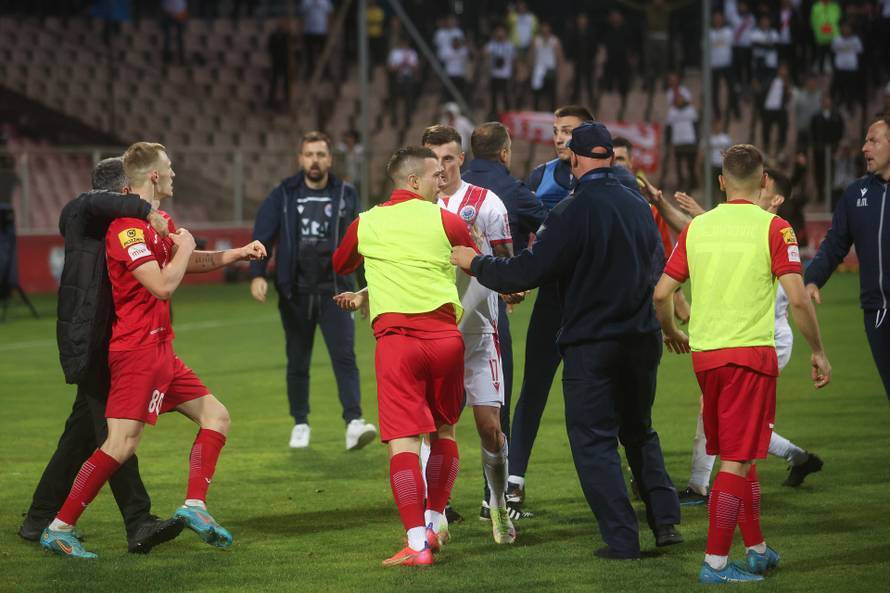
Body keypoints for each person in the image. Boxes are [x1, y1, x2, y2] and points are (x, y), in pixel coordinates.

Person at [452, 121, 682, 559]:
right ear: (610, 157)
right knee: (639, 431)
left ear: (573, 159)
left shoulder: (572, 211)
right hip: (641, 339)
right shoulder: (638, 206)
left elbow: (527, 270)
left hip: (593, 343)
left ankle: (622, 539)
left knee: (593, 440)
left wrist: (475, 263)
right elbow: (659, 271)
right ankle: (666, 522)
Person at [40, 142, 268, 558]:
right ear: (155, 176)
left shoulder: (159, 225)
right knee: (119, 445)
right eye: (170, 167)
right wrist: (184, 247)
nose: (175, 174)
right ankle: (59, 527)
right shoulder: (126, 229)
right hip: (136, 353)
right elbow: (162, 284)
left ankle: (195, 505)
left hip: (162, 349)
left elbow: (184, 261)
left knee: (216, 417)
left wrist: (235, 254)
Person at [653, 143, 831, 583]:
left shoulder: (698, 228)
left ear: (721, 182)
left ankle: (756, 549)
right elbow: (798, 299)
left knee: (744, 456)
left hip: (706, 358)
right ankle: (715, 563)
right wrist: (818, 350)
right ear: (764, 179)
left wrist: (671, 330)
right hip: (749, 356)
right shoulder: (775, 228)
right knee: (736, 460)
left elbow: (661, 293)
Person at [18, 158, 182, 554]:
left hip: (100, 341)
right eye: (128, 192)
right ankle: (138, 521)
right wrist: (146, 210)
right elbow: (92, 202)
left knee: (79, 438)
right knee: (116, 437)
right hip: (91, 344)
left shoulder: (104, 225)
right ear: (119, 192)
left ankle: (39, 518)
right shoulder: (83, 210)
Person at [331, 146, 477, 566]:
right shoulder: (447, 220)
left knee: (404, 444)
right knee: (445, 433)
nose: (442, 180)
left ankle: (416, 543)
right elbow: (473, 261)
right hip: (446, 341)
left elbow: (341, 262)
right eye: (435, 175)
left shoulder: (367, 222)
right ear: (413, 181)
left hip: (398, 345)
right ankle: (435, 522)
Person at [667, 170, 825, 507]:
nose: (757, 187)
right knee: (738, 424)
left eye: (764, 185)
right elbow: (711, 232)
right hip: (742, 339)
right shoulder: (756, 228)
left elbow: (795, 296)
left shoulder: (775, 231)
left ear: (776, 197)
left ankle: (701, 489)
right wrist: (665, 203)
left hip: (766, 339)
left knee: (732, 424)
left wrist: (818, 349)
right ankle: (797, 458)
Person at [250, 131, 376, 450]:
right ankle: (300, 423)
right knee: (297, 360)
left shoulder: (346, 193)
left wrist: (365, 288)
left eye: (321, 154)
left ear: (330, 159)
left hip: (337, 292)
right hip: (296, 292)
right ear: (300, 159)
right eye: (309, 155)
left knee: (344, 357)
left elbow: (361, 241)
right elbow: (263, 234)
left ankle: (354, 422)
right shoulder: (284, 193)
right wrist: (257, 274)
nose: (315, 160)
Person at [422, 125, 517, 542]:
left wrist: (512, 288)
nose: (441, 167)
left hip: (479, 334)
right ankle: (435, 514)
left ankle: (498, 505)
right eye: (434, 159)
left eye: (448, 157)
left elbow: (509, 265)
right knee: (435, 429)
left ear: (461, 158)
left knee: (489, 427)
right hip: (434, 336)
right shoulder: (416, 209)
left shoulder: (487, 203)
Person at [462, 121, 546, 519]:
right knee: (495, 406)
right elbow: (551, 229)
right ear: (505, 152)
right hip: (489, 308)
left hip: (441, 312)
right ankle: (493, 499)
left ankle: (435, 507)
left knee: (438, 413)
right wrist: (518, 276)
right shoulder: (512, 192)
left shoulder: (449, 192)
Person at [805, 113, 890, 400]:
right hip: (877, 311)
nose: (865, 148)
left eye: (873, 141)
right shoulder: (855, 194)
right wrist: (812, 280)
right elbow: (834, 245)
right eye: (865, 141)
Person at [530, 22, 561, 113]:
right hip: (538, 69)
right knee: (537, 93)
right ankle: (536, 111)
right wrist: (531, 67)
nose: (545, 30)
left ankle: (552, 111)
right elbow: (532, 54)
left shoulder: (554, 40)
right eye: (543, 27)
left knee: (551, 93)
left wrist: (559, 69)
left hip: (550, 69)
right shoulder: (536, 40)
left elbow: (558, 55)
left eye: (546, 28)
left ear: (549, 29)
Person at [485, 24, 515, 118]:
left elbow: (514, 59)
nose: (500, 34)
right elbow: (485, 53)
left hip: (505, 75)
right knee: (494, 96)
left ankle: (507, 115)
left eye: (501, 32)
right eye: (498, 32)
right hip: (494, 74)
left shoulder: (509, 45)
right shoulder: (492, 44)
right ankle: (493, 115)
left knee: (506, 96)